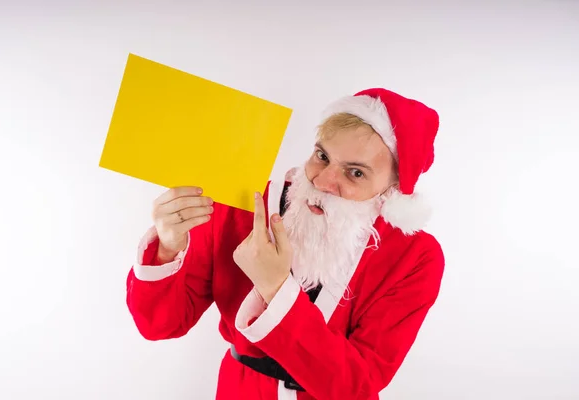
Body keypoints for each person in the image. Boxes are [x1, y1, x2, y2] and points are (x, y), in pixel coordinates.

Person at [125, 88, 445, 400]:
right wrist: (168, 247)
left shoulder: (416, 257)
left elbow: (358, 387)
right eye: (322, 156)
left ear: (392, 189)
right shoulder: (246, 203)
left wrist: (276, 287)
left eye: (355, 173)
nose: (322, 181)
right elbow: (159, 325)